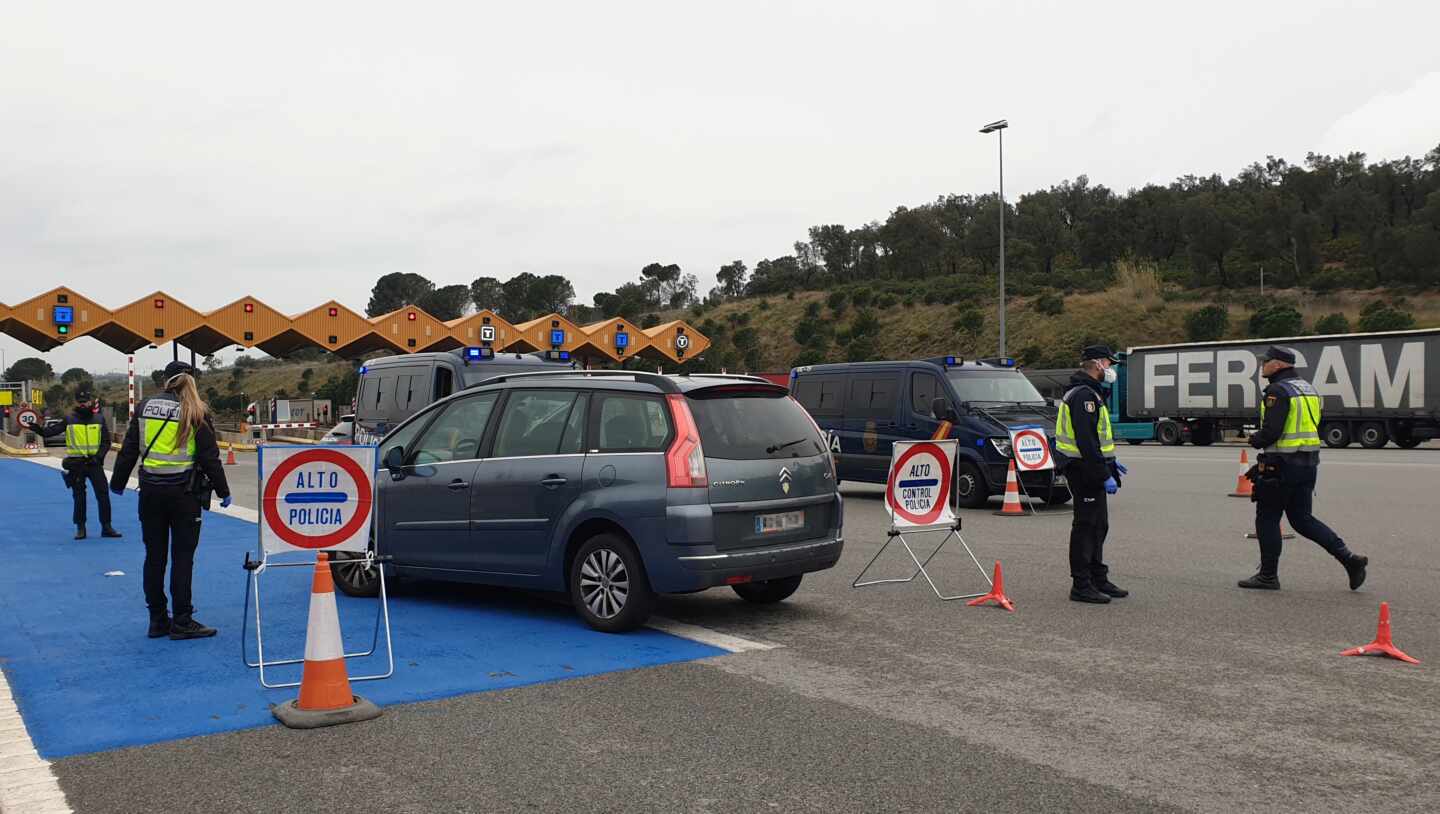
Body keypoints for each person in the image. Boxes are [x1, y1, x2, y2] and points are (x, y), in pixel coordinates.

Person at [110, 361, 233, 640]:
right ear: (191, 382)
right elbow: (209, 458)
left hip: (151, 493)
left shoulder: (143, 408)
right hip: (184, 496)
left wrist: (117, 483)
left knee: (154, 558)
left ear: (165, 380)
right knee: (182, 558)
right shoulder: (196, 412)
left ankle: (156, 620)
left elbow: (128, 449)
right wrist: (223, 492)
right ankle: (182, 620)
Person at [1238, 346, 1367, 591]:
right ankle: (1349, 559)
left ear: (1278, 365)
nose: (1261, 366)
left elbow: (1272, 431)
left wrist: (1254, 439)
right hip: (1307, 464)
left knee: (1267, 518)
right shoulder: (1308, 389)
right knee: (1302, 519)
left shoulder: (1277, 390)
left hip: (1282, 467)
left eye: (1265, 362)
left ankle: (1267, 576)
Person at [1054, 345, 1129, 604]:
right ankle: (1081, 585)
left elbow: (1096, 438)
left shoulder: (1092, 393)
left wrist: (1111, 462)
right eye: (1109, 363)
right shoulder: (1084, 396)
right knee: (1085, 527)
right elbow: (1085, 441)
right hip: (1082, 468)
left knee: (1099, 525)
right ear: (1097, 364)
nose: (1111, 369)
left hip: (1091, 467)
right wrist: (1102, 472)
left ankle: (1098, 578)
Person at [37, 389, 121, 540]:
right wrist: (35, 427)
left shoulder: (99, 419)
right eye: (80, 402)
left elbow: (106, 442)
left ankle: (107, 526)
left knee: (103, 495)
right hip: (77, 464)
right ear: (76, 403)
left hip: (94, 464)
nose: (83, 404)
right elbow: (49, 432)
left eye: (85, 401)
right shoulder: (69, 419)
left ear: (90, 402)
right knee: (79, 497)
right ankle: (81, 528)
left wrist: (99, 457)